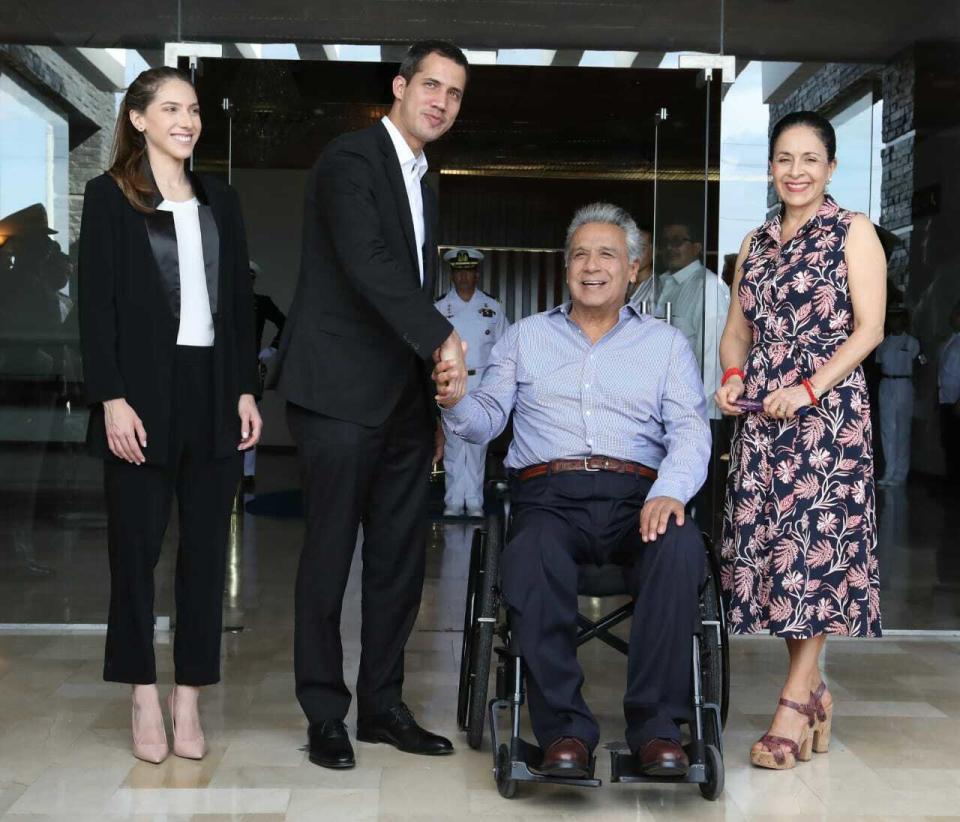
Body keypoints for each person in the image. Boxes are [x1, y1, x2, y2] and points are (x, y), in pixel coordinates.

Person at [436, 202, 710, 779]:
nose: (592, 265)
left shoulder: (665, 347)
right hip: (548, 497)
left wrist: (672, 490)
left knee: (681, 548)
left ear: (634, 269)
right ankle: (564, 732)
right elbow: (487, 418)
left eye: (607, 253)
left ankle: (659, 728)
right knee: (529, 555)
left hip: (641, 497)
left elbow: (690, 430)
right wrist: (457, 399)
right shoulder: (525, 336)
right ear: (565, 267)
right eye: (580, 254)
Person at [272, 40, 470, 770]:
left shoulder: (426, 178)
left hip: (402, 406)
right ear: (399, 86)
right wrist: (446, 339)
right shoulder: (351, 160)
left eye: (455, 92)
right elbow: (370, 268)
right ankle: (326, 712)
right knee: (329, 557)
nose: (442, 101)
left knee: (398, 562)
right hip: (336, 394)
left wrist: (434, 406)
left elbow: (407, 296)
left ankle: (382, 706)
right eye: (431, 85)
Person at [77, 67, 261, 764]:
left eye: (194, 109)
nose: (187, 120)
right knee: (136, 553)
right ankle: (141, 692)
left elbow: (239, 307)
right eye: (172, 108)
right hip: (140, 397)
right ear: (139, 118)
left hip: (213, 393)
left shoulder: (223, 201)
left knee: (206, 555)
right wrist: (112, 397)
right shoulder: (108, 198)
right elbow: (96, 307)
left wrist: (245, 389)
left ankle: (189, 696)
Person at [715, 111, 886, 770]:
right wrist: (733, 375)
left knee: (816, 553)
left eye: (809, 159)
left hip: (826, 420)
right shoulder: (755, 242)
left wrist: (810, 388)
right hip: (763, 419)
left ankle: (792, 703)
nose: (796, 171)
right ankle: (813, 691)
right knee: (781, 561)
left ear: (831, 167)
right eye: (784, 158)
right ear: (770, 165)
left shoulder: (854, 231)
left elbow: (867, 330)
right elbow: (738, 329)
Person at [435, 247, 509, 516]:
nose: (464, 277)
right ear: (452, 275)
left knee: (477, 443)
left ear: (476, 274)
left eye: (468, 271)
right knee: (454, 443)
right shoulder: (440, 307)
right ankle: (453, 501)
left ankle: (474, 501)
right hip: (452, 381)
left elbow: (504, 348)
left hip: (482, 382)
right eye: (458, 272)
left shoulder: (492, 307)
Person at [656, 220, 731, 419]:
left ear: (697, 247)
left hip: (695, 414)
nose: (670, 247)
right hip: (664, 408)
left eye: (678, 241)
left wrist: (701, 416)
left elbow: (712, 359)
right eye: (665, 242)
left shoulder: (709, 286)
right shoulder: (664, 284)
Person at [243, 260, 286, 489]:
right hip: (224, 368)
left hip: (251, 366)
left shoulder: (261, 303)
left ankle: (248, 473)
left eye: (250, 278)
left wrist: (270, 350)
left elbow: (285, 324)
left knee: (251, 418)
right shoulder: (222, 300)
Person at [874, 310, 920, 485]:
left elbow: (921, 363)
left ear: (904, 320)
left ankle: (901, 473)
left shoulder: (912, 342)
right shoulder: (883, 343)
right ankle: (889, 471)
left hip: (904, 384)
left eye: (898, 317)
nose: (894, 321)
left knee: (902, 429)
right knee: (887, 429)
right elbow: (878, 366)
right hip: (886, 384)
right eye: (892, 318)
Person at [939, 301, 960, 483]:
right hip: (946, 399)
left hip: (956, 402)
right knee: (948, 443)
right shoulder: (952, 339)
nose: (952, 318)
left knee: (956, 444)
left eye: (956, 314)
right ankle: (951, 482)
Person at [626, 226, 654, 310]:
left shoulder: (657, 287)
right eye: (632, 248)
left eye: (641, 248)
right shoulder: (624, 282)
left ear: (654, 251)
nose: (636, 253)